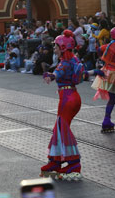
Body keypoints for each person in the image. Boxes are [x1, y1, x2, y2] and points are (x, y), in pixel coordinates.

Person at [40, 30, 85, 180]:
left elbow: (58, 73)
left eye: (56, 46)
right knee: (58, 129)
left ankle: (73, 163)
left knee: (62, 129)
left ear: (63, 47)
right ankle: (55, 161)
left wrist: (50, 75)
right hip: (72, 96)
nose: (54, 48)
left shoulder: (65, 62)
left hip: (67, 98)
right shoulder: (73, 59)